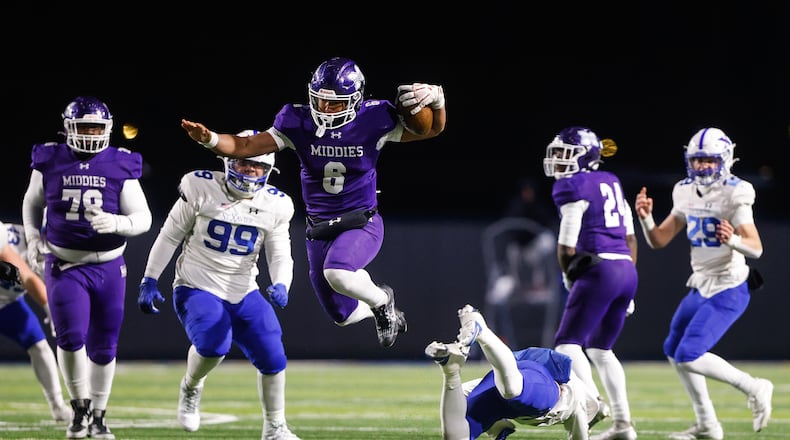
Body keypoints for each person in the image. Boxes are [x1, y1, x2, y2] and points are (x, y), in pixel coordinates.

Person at [180, 56, 446, 348]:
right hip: (319, 228)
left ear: (355, 100)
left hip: (361, 221)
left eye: (335, 103)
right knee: (342, 315)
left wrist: (438, 101)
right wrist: (210, 139)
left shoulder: (374, 120)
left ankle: (382, 301)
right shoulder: (297, 122)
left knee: (337, 272)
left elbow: (431, 129)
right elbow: (245, 146)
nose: (326, 109)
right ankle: (377, 304)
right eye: (321, 101)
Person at [137, 129, 300, 440]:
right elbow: (169, 235)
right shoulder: (201, 187)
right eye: (243, 163)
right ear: (228, 162)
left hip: (244, 290)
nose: (249, 171)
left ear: (268, 171)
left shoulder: (276, 205)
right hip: (196, 284)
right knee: (214, 345)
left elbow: (280, 253)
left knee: (273, 356)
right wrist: (150, 278)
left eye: (256, 166)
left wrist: (282, 283)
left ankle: (274, 427)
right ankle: (191, 386)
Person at [21, 96, 153, 439]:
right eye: (84, 127)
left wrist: (118, 223)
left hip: (109, 266)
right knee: (70, 338)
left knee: (105, 345)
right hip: (65, 264)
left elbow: (143, 218)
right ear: (68, 128)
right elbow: (32, 202)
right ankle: (79, 410)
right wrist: (33, 238)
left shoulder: (120, 162)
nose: (91, 134)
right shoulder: (49, 158)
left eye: (96, 128)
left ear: (107, 129)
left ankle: (99, 415)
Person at [634, 127, 773, 440]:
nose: (702, 166)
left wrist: (733, 240)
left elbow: (756, 248)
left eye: (709, 160)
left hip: (729, 286)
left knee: (689, 353)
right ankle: (707, 424)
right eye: (697, 160)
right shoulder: (684, 191)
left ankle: (754, 386)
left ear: (725, 159)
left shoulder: (736, 191)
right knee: (673, 349)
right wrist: (646, 218)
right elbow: (658, 240)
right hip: (700, 283)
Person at [542, 126, 639, 440]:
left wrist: (568, 275)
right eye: (557, 152)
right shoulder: (611, 181)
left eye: (565, 153)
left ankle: (593, 402)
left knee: (567, 344)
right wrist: (626, 279)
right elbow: (630, 238)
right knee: (601, 350)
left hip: (599, 270)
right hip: (626, 270)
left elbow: (566, 246)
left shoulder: (571, 185)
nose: (558, 159)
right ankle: (624, 425)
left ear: (586, 156)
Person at [425, 304, 600, 440]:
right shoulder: (577, 401)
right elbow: (580, 429)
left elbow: (465, 390)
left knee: (457, 436)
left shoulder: (580, 401)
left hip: (505, 388)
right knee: (512, 391)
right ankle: (481, 331)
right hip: (536, 381)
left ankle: (450, 370)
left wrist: (454, 379)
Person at [0, 222, 70, 422]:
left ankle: (58, 406)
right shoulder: (10, 239)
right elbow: (26, 277)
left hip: (8, 304)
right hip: (9, 301)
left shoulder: (59, 257)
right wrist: (51, 310)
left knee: (40, 347)